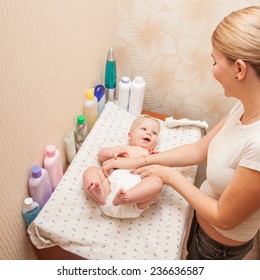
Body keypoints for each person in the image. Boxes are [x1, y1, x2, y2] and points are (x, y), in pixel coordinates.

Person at [102, 6, 260, 259]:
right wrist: (142, 159)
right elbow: (200, 149)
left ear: (239, 69)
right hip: (203, 219)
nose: (212, 69)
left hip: (219, 247)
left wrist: (169, 177)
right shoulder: (245, 105)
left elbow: (225, 217)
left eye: (214, 61)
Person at [83, 115, 163, 218]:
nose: (149, 133)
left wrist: (155, 160)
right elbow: (101, 155)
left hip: (136, 199)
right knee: (91, 170)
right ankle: (98, 192)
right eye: (144, 129)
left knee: (157, 182)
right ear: (130, 136)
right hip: (109, 193)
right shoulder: (123, 148)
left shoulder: (154, 155)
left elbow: (161, 173)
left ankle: (127, 197)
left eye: (154, 133)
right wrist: (112, 153)